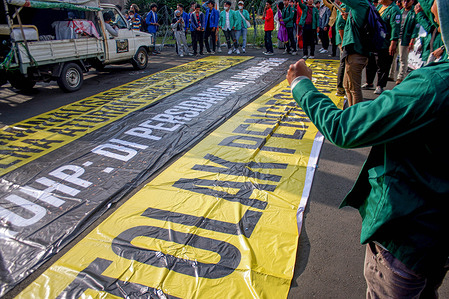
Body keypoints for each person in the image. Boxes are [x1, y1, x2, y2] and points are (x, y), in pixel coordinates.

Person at [288, 0, 449, 296]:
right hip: (436, 238)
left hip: (407, 234)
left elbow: (343, 129)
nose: (434, 11)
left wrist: (300, 85)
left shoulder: (435, 84)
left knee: (354, 91)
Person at [363, 0, 401, 95]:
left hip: (385, 42)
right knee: (371, 63)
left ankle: (380, 85)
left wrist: (393, 42)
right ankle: (369, 82)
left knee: (383, 65)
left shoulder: (394, 9)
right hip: (375, 40)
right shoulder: (380, 7)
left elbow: (395, 27)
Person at [391, 0, 420, 84]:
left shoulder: (413, 13)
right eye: (404, 0)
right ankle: (391, 74)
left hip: (405, 38)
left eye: (408, 1)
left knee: (402, 59)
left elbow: (416, 28)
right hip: (396, 37)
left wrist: (412, 41)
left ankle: (400, 77)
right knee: (392, 56)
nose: (406, 3)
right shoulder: (399, 11)